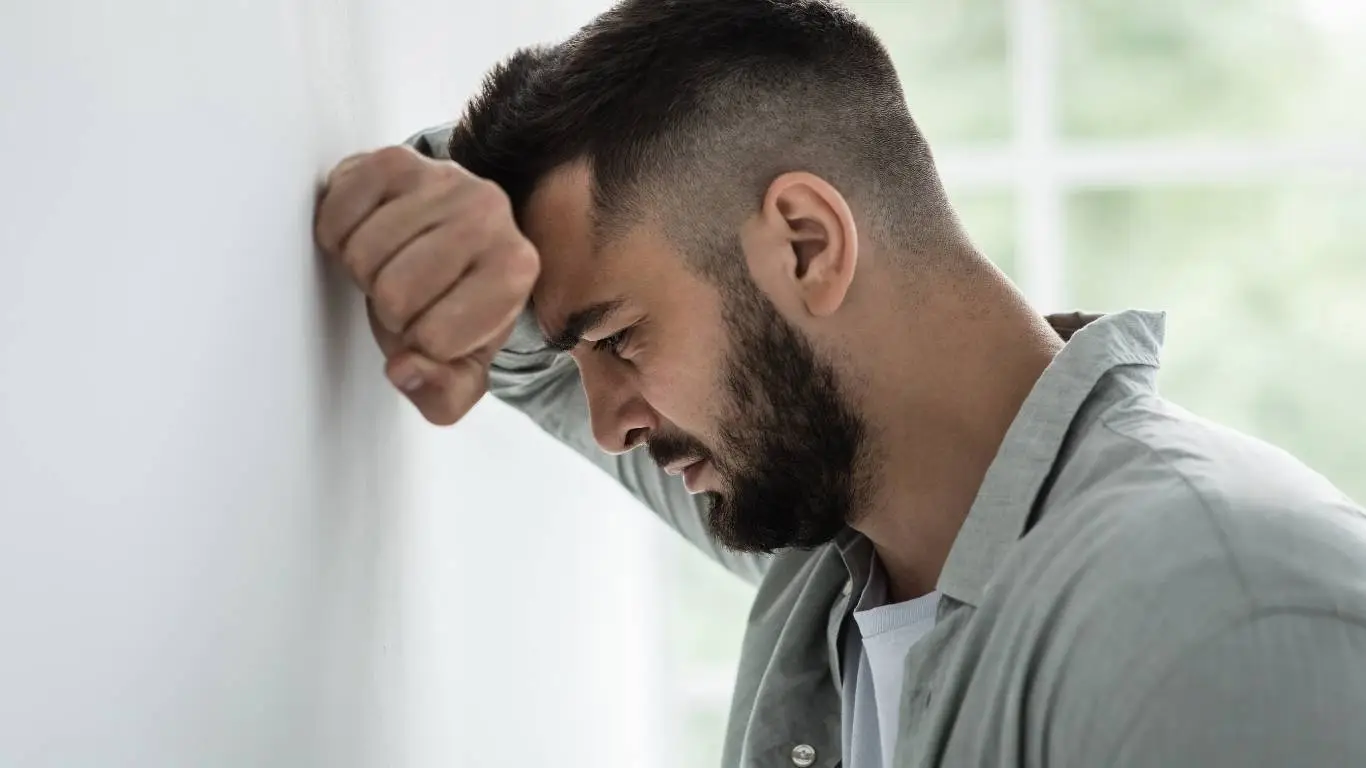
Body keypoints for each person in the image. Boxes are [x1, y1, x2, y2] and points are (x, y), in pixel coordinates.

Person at [313, 1, 1366, 766]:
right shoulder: (835, 539)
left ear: (807, 244)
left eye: (622, 340)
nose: (606, 420)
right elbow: (520, 350)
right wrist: (453, 212)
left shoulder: (1225, 613)